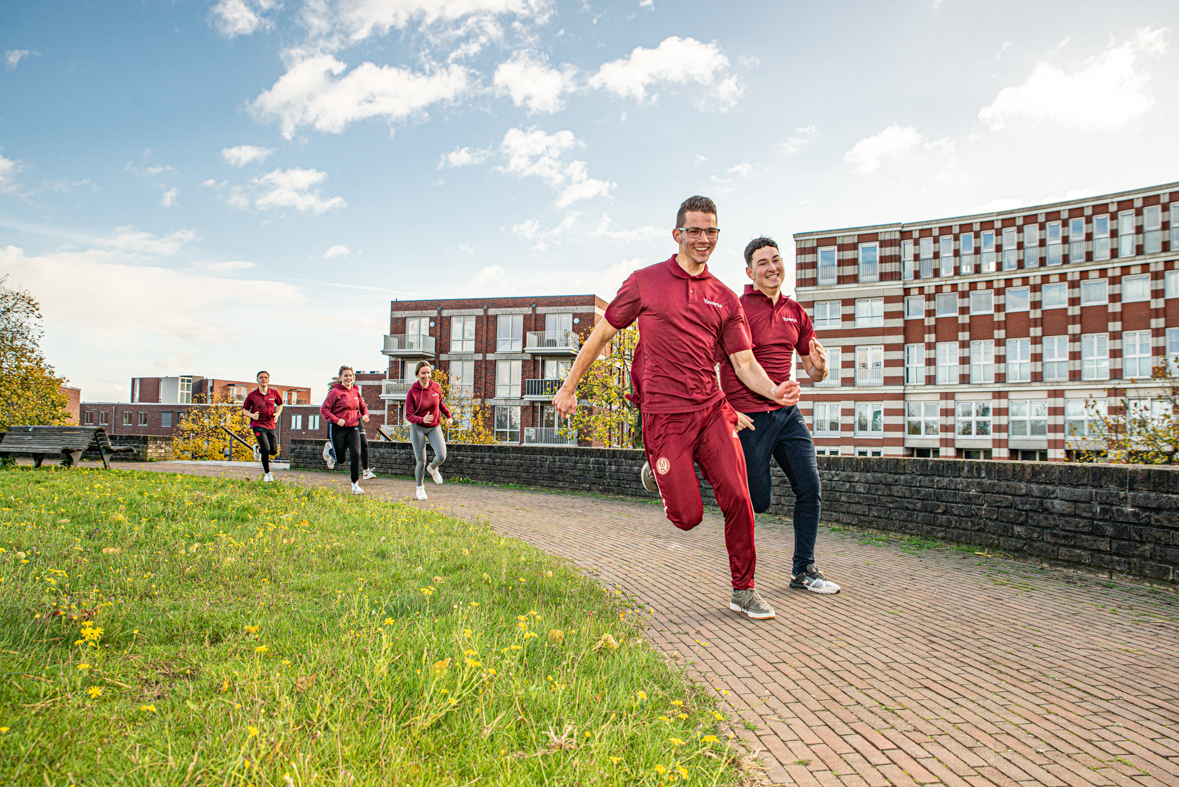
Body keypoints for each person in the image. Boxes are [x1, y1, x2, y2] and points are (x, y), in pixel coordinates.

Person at [553, 195, 800, 620]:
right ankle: (659, 466)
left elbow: (743, 363)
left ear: (718, 236)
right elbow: (601, 336)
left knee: (739, 498)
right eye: (695, 231)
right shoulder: (645, 282)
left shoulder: (725, 298)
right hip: (664, 415)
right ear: (678, 234)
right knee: (687, 517)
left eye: (711, 232)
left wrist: (775, 391)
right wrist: (569, 386)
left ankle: (744, 590)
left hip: (710, 410)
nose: (703, 239)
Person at [718, 237, 840, 594]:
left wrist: (821, 367)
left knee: (810, 486)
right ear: (749, 271)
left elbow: (814, 373)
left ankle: (804, 571)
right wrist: (727, 409)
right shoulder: (736, 308)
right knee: (759, 502)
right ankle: (697, 460)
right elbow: (715, 364)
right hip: (749, 416)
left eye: (776, 260)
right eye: (762, 263)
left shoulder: (796, 312)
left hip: (787, 415)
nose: (772, 268)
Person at [405, 360, 451, 500]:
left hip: (434, 427)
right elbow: (409, 415)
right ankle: (420, 488)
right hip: (418, 428)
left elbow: (440, 404)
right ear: (418, 374)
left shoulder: (436, 387)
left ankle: (433, 468)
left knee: (442, 455)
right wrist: (421, 420)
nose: (426, 376)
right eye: (423, 373)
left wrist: (448, 416)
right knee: (421, 461)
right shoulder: (412, 392)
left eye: (428, 373)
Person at [320, 365, 369, 495]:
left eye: (350, 375)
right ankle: (330, 451)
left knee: (356, 454)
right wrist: (336, 420)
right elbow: (324, 410)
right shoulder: (335, 392)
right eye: (346, 375)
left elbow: (363, 407)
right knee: (340, 459)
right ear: (341, 378)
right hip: (338, 429)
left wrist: (365, 415)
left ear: (354, 377)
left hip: (353, 428)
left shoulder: (356, 392)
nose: (348, 378)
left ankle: (355, 485)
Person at [242, 370, 283, 482]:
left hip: (270, 425)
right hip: (258, 424)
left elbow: (280, 404)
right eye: (261, 377)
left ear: (268, 380)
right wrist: (252, 415)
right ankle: (268, 474)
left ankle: (257, 449)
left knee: (273, 451)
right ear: (257, 380)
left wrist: (277, 414)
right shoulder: (252, 395)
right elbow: (245, 411)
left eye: (265, 377)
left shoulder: (274, 393)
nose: (263, 379)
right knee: (266, 449)